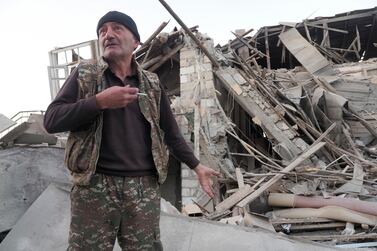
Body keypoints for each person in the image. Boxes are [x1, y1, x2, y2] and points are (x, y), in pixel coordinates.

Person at [44, 10, 220, 251]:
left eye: (117, 28)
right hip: (95, 187)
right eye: (102, 31)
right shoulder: (85, 75)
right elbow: (52, 120)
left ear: (136, 41)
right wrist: (99, 102)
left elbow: (170, 133)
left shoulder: (152, 84)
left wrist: (196, 166)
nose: (108, 35)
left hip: (143, 189)